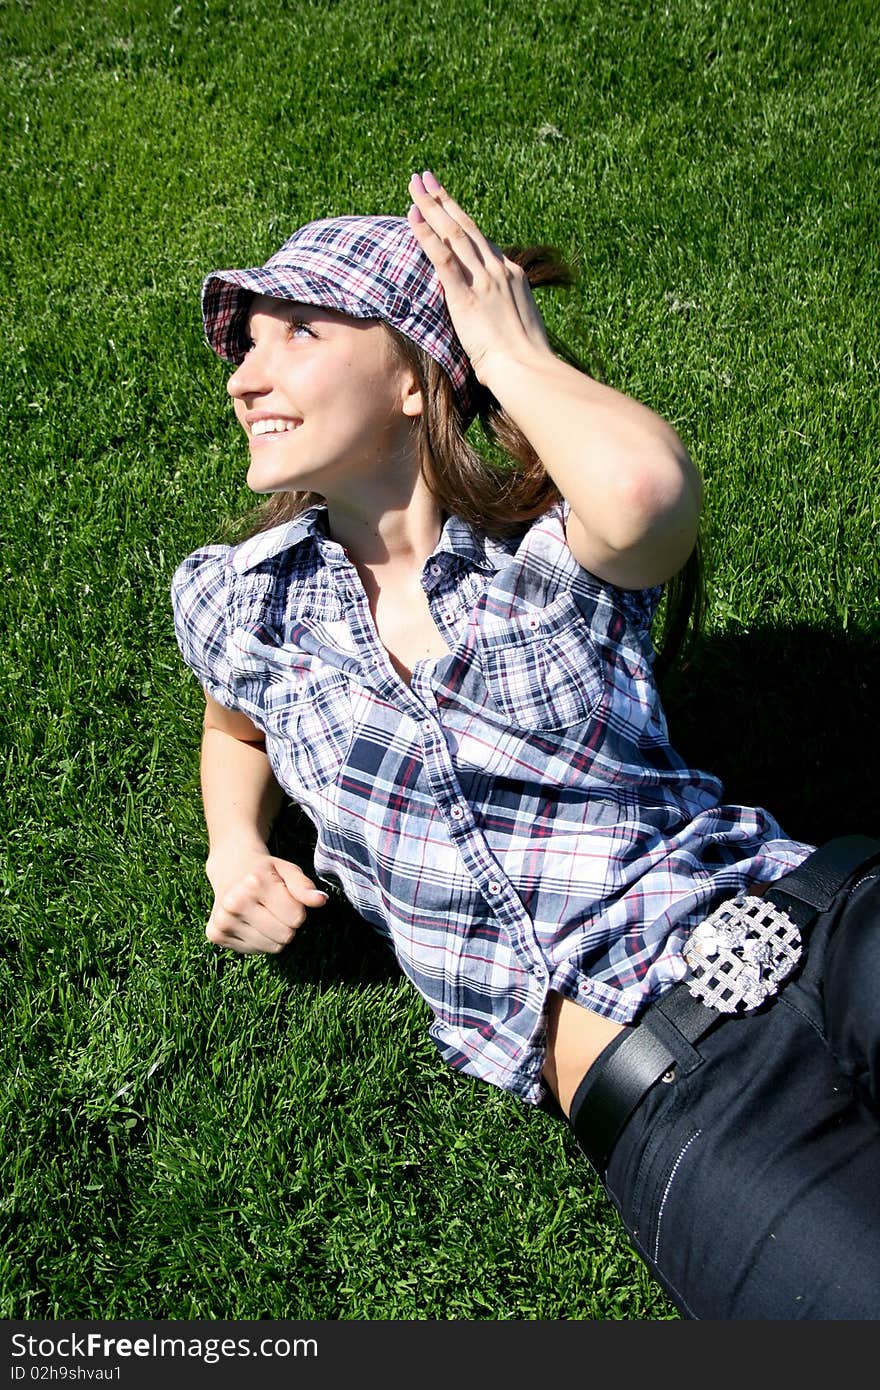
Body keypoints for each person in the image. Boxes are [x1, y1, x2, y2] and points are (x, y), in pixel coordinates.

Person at [171, 169, 880, 1319]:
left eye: (296, 331)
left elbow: (645, 489)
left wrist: (510, 358)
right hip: (679, 1095)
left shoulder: (549, 560)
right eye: (244, 345)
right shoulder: (235, 601)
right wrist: (231, 848)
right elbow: (232, 712)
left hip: (821, 923)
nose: (246, 375)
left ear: (413, 375)